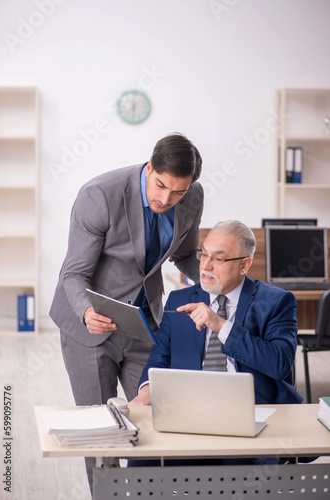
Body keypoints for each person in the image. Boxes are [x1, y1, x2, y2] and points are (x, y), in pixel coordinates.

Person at [49, 133, 203, 492]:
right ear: (149, 168)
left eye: (177, 192)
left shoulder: (192, 197)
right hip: (89, 325)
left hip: (143, 323)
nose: (166, 199)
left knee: (155, 419)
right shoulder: (99, 196)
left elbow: (185, 255)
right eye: (161, 185)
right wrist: (87, 311)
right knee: (100, 432)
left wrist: (215, 277)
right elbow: (73, 274)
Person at [129, 219, 303, 466]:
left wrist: (221, 326)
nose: (206, 266)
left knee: (237, 468)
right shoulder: (180, 299)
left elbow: (280, 364)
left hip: (251, 413)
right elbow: (160, 357)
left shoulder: (276, 302)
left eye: (218, 259)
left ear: (245, 265)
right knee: (140, 459)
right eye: (203, 255)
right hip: (188, 411)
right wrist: (147, 389)